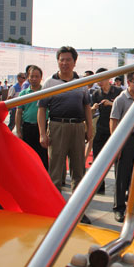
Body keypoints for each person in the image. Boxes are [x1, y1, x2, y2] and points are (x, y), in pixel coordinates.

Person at [37, 46, 93, 224]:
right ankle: (54, 210)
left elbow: (86, 107)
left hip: (77, 127)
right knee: (55, 172)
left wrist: (89, 128)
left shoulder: (81, 83)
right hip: (56, 127)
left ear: (75, 62)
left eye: (68, 59)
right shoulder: (49, 83)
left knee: (78, 171)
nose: (65, 63)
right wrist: (42, 133)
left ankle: (77, 212)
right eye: (61, 59)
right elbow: (41, 109)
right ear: (58, 61)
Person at [110, 71, 134, 222]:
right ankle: (119, 207)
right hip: (125, 140)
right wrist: (116, 145)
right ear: (129, 83)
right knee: (122, 175)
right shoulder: (121, 100)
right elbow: (113, 121)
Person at [91, 67, 122, 194]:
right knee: (98, 158)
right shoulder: (95, 94)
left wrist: (111, 104)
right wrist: (93, 108)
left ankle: (120, 186)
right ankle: (99, 185)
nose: (100, 81)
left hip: (115, 129)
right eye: (98, 79)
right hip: (101, 127)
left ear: (109, 78)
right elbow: (91, 111)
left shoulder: (118, 91)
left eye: (102, 78)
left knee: (118, 158)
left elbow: (124, 109)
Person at [15, 65, 48, 170]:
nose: (34, 79)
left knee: (43, 156)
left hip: (42, 128)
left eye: (36, 76)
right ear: (28, 77)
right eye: (31, 76)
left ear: (41, 77)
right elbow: (19, 112)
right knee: (28, 156)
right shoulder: (23, 94)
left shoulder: (46, 92)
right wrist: (18, 131)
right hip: (28, 128)